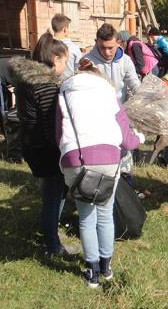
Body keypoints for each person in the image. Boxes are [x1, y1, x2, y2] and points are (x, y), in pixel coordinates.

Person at [56, 62, 141, 288]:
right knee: (104, 214)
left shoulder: (64, 91)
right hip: (108, 157)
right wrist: (139, 139)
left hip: (76, 158)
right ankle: (106, 268)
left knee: (86, 217)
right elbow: (125, 137)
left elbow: (59, 133)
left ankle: (91, 272)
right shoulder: (108, 91)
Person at [9, 32, 71, 257]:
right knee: (54, 195)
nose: (66, 65)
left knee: (51, 193)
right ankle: (53, 245)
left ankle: (49, 230)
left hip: (32, 145)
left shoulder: (29, 79)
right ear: (55, 59)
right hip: (46, 150)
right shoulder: (45, 85)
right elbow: (49, 126)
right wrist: (64, 150)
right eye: (65, 60)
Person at [83, 24, 140, 103]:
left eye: (110, 48)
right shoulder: (87, 61)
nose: (107, 52)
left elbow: (135, 85)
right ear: (96, 42)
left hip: (120, 108)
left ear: (118, 43)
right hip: (96, 109)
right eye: (102, 47)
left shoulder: (126, 60)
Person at [51, 14, 82, 80]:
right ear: (65, 29)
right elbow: (79, 71)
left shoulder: (46, 46)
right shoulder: (74, 48)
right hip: (69, 86)